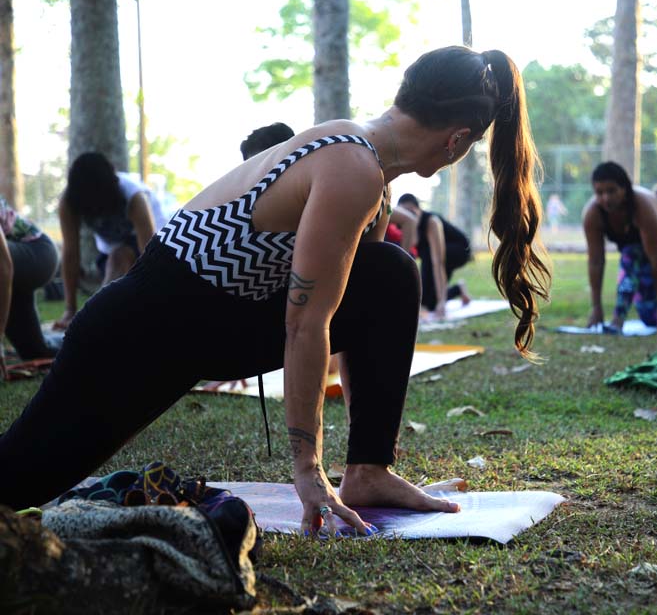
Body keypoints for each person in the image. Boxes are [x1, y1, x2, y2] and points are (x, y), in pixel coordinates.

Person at [0, 46, 551, 538]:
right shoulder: (351, 167)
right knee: (17, 480)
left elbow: (352, 314)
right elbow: (305, 324)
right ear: (457, 141)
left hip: (208, 326)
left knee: (387, 271)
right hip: (135, 336)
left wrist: (368, 446)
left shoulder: (365, 165)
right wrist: (307, 470)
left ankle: (369, 472)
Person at [53, 152, 169, 331]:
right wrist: (70, 309)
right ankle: (100, 317)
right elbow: (70, 255)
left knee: (119, 258)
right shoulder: (69, 201)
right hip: (111, 252)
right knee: (115, 260)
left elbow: (150, 255)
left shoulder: (134, 196)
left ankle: (98, 317)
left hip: (157, 244)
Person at [582, 161, 657, 332]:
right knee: (649, 315)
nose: (606, 198)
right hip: (643, 257)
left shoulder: (642, 207)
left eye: (611, 191)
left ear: (624, 189)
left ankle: (618, 318)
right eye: (599, 192)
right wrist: (596, 306)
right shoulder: (593, 214)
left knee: (630, 254)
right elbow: (596, 261)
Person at [0, 195, 60, 377]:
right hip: (15, 268)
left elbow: (3, 267)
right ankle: (83, 337)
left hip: (37, 254)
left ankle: (94, 333)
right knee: (35, 350)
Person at [395, 193, 472, 319]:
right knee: (427, 302)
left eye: (411, 212)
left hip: (459, 250)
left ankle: (442, 298)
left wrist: (442, 303)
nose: (409, 216)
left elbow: (438, 263)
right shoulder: (406, 224)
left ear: (418, 209)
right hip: (432, 256)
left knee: (429, 257)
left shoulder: (431, 222)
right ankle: (459, 288)